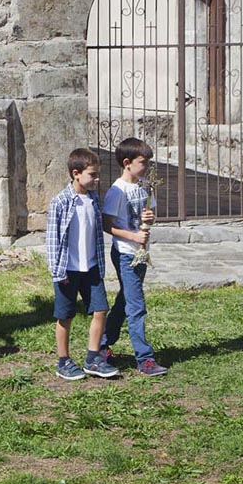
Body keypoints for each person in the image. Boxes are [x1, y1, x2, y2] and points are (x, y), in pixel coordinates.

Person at [45, 148, 119, 381]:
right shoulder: (61, 202)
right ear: (76, 174)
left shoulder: (94, 199)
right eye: (93, 175)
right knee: (65, 316)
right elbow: (53, 239)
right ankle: (63, 361)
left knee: (100, 309)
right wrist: (58, 271)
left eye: (98, 175)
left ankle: (93, 357)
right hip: (68, 269)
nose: (97, 180)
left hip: (92, 268)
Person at [101, 138, 167, 376]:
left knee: (125, 300)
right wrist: (132, 236)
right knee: (137, 306)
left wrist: (149, 219)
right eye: (143, 162)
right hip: (125, 254)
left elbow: (149, 215)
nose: (147, 166)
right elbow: (107, 225)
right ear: (127, 163)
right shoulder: (117, 191)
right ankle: (145, 359)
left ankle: (102, 344)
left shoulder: (143, 186)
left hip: (141, 255)